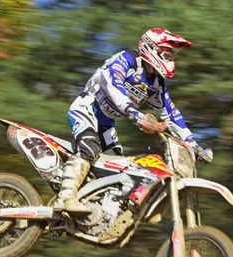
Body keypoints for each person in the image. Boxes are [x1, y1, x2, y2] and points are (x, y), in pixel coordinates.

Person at [53, 28, 213, 215]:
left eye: (172, 56)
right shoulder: (127, 59)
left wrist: (193, 145)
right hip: (87, 108)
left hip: (106, 123)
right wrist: (133, 112)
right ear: (152, 48)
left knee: (116, 167)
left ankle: (97, 208)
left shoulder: (155, 83)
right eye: (167, 55)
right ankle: (64, 198)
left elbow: (171, 115)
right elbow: (112, 83)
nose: (170, 60)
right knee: (90, 148)